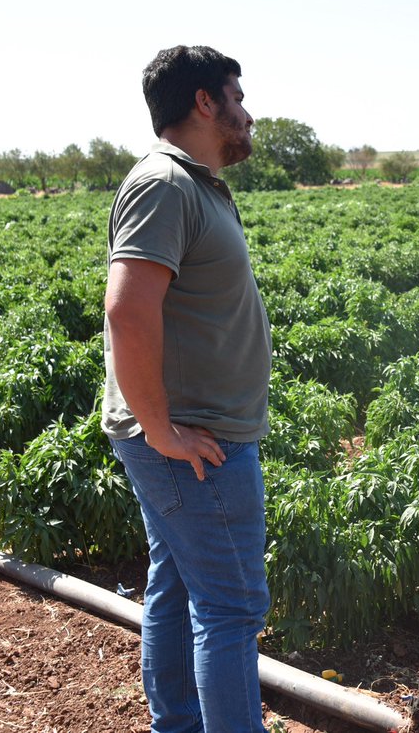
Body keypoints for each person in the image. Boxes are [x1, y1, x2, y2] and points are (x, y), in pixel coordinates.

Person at [102, 44, 272, 732]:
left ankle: (176, 725)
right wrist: (162, 429)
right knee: (231, 608)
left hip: (192, 437)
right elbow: (127, 308)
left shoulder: (188, 184)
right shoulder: (165, 185)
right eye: (237, 97)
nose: (247, 113)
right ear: (205, 101)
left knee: (176, 589)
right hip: (196, 443)